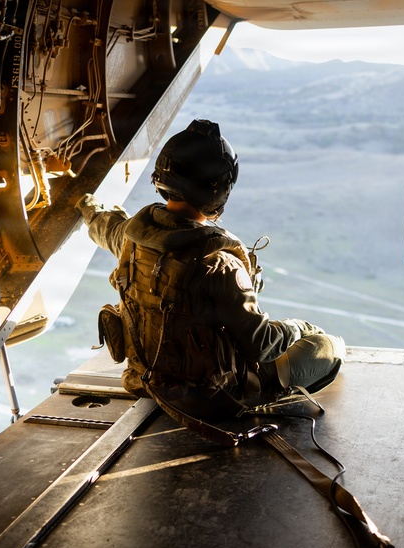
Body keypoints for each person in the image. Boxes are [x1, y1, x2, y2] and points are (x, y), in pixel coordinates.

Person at [76, 118, 345, 432]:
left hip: (147, 379)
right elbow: (261, 345)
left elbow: (104, 224)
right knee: (329, 347)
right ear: (219, 189)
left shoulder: (133, 239)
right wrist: (297, 329)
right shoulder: (218, 262)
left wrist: (85, 203)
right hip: (212, 399)